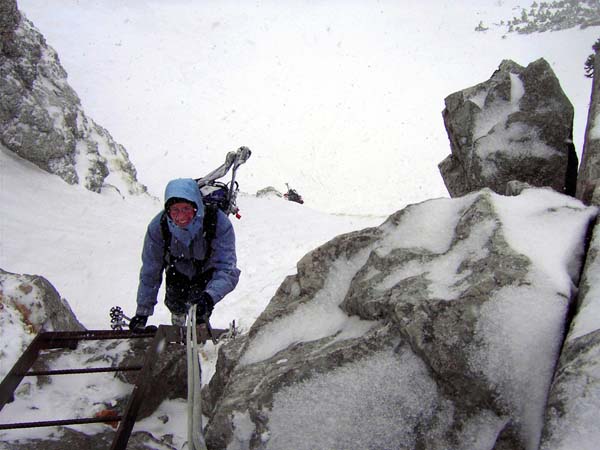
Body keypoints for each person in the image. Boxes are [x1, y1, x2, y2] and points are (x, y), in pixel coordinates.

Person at [130, 178, 241, 330]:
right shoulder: (159, 227)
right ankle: (178, 321)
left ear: (196, 207)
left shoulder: (217, 222)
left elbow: (227, 269)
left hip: (206, 271)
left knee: (200, 310)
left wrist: (209, 297)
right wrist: (142, 312)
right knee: (175, 302)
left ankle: (199, 329)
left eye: (186, 209)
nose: (180, 216)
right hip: (177, 271)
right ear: (168, 211)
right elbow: (151, 270)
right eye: (175, 210)